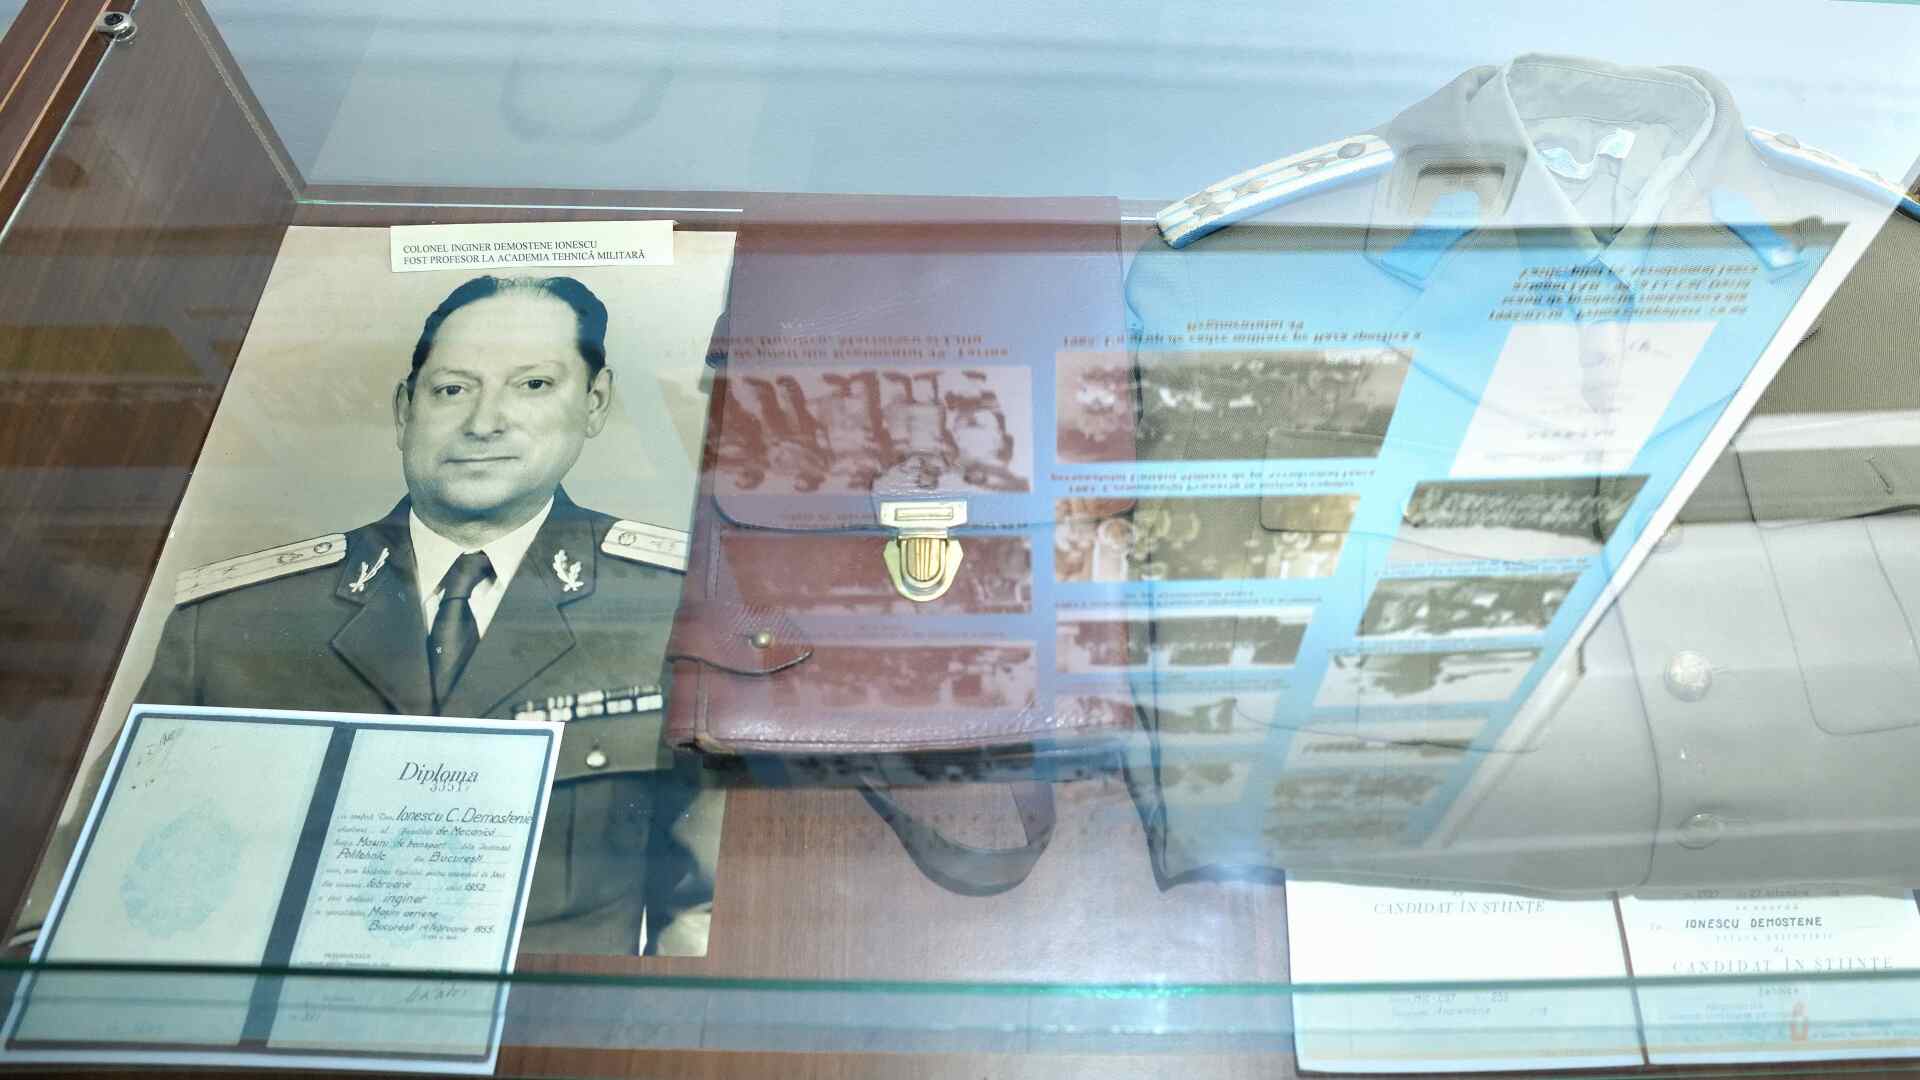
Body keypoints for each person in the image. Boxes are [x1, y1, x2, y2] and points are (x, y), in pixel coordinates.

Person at [134, 274, 709, 956]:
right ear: (405, 410)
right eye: (452, 389)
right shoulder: (234, 622)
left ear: (594, 402)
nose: (484, 422)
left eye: (532, 385)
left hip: (547, 1014)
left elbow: (708, 908)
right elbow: (116, 874)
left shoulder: (676, 611)